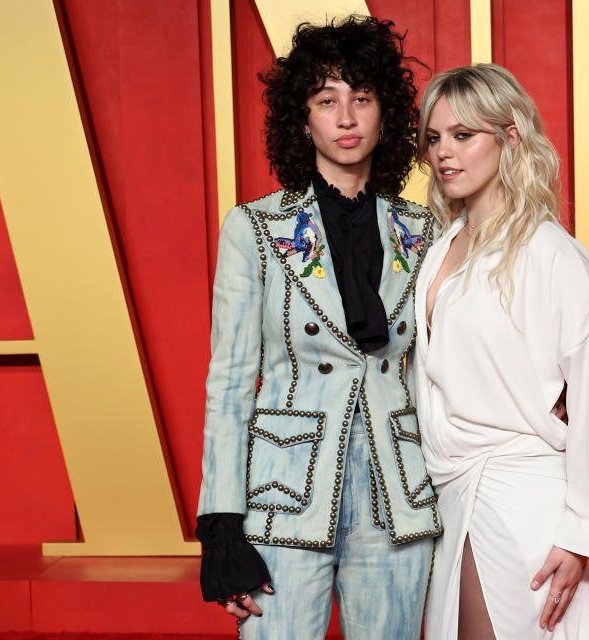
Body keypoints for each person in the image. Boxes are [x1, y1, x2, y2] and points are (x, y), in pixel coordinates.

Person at [195, 16, 442, 640]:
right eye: (326, 100)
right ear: (302, 119)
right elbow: (228, 382)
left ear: (385, 112)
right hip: (283, 499)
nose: (347, 116)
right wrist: (221, 524)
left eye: (362, 97)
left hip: (398, 493)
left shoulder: (428, 231)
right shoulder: (253, 229)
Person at [410, 63, 589, 639]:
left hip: (520, 497)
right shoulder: (442, 248)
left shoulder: (550, 253)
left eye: (464, 136)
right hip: (451, 494)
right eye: (434, 138)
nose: (444, 153)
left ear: (510, 138)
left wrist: (581, 531)